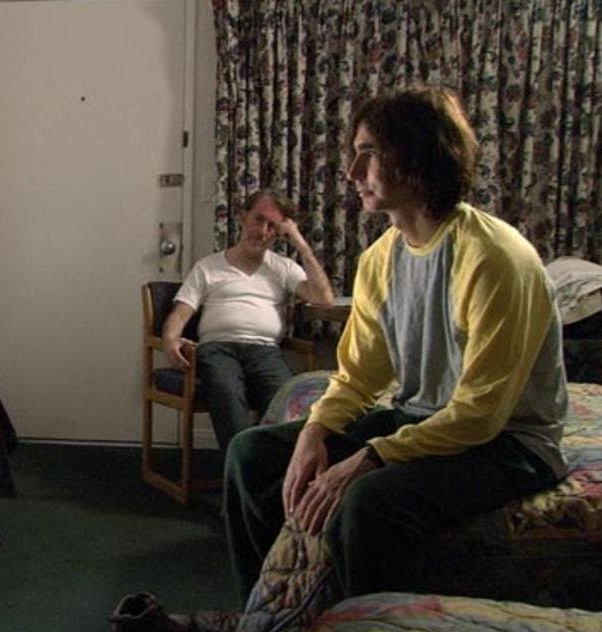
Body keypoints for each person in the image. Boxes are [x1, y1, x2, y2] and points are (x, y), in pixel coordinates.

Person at [223, 86, 568, 602]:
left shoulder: (495, 257)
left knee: (367, 500)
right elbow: (359, 376)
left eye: (368, 153)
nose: (351, 173)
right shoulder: (380, 259)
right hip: (423, 420)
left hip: (508, 444)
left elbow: (480, 415)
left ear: (418, 157)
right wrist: (316, 430)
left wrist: (370, 457)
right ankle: (267, 618)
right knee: (251, 455)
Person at [161, 190, 335, 453]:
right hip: (218, 349)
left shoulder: (283, 267)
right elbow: (180, 313)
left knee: (285, 397)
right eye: (258, 219)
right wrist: (170, 339)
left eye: (272, 226)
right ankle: (242, 465)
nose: (263, 231)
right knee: (227, 393)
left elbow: (324, 299)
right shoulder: (208, 266)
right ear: (243, 217)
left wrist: (299, 241)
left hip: (265, 351)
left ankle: (269, 468)